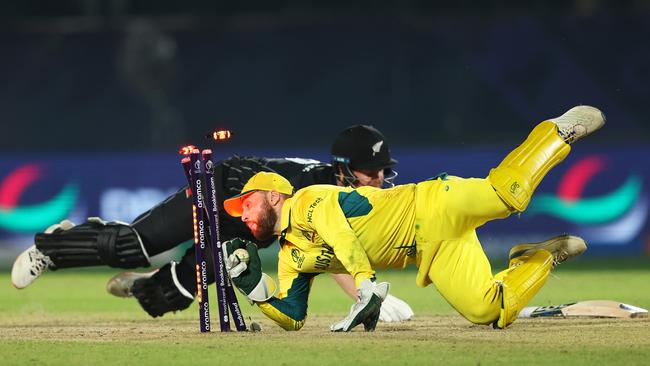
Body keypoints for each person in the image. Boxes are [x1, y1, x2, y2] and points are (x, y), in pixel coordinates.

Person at [217, 105, 605, 331]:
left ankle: (556, 132)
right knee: (489, 311)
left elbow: (342, 237)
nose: (244, 215)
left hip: (433, 204)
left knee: (506, 196)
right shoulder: (289, 257)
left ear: (273, 195)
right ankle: (537, 258)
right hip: (431, 250)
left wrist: (365, 287)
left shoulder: (307, 199)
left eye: (247, 204)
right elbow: (293, 318)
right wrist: (253, 288)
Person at [11, 125, 414, 322]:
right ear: (344, 169)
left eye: (381, 171)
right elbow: (335, 254)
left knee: (178, 291)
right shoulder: (320, 187)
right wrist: (365, 293)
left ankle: (145, 283)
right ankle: (55, 245)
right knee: (133, 244)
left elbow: (325, 253)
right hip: (222, 191)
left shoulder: (347, 192)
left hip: (246, 227)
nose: (378, 178)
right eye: (370, 170)